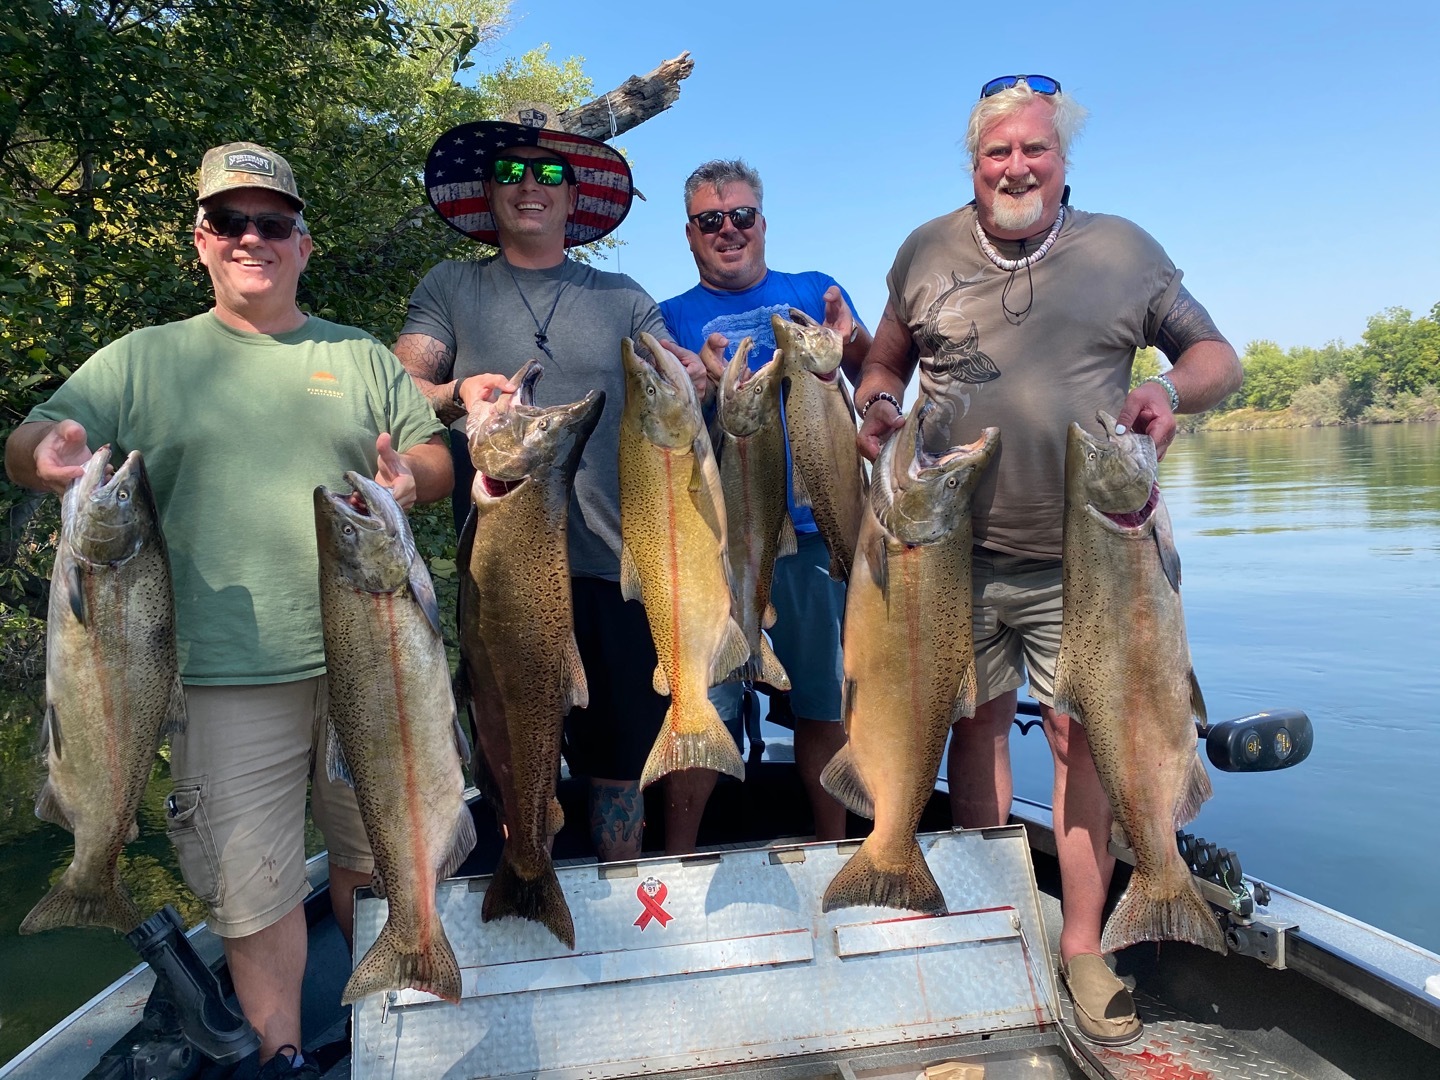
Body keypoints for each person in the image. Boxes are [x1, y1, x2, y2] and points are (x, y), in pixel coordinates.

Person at [4, 143, 451, 1076]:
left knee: (377, 864)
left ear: (303, 242)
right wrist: (45, 451)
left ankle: (393, 1041)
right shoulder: (141, 360)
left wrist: (417, 476)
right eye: (230, 222)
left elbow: (433, 456)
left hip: (370, 663)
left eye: (272, 223)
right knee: (254, 897)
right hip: (213, 676)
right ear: (201, 241)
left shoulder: (358, 355)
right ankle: (284, 1059)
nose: (253, 238)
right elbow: (32, 436)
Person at [853, 76, 1242, 1047]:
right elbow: (887, 359)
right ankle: (991, 931)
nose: (1016, 167)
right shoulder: (925, 248)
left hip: (1092, 558)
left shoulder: (1123, 252)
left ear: (1064, 161)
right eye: (998, 153)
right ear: (973, 163)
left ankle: (1081, 946)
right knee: (973, 730)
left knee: (1081, 741)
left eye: (1036, 150)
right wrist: (873, 402)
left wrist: (1169, 392)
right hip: (949, 552)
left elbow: (1217, 358)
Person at [393, 105, 712, 863]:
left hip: (615, 570)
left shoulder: (626, 298)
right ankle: (524, 877)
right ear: (489, 192)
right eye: (510, 171)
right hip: (497, 572)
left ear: (573, 197)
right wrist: (455, 392)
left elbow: (678, 376)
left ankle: (626, 906)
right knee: (508, 751)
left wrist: (696, 374)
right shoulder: (450, 287)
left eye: (547, 172)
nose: (528, 184)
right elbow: (403, 380)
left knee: (618, 765)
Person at [659, 159, 871, 852]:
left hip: (817, 538)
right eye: (711, 221)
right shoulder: (669, 319)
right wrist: (696, 386)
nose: (729, 231)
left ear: (763, 223)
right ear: (689, 235)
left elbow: (875, 373)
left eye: (742, 216)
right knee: (704, 706)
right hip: (716, 549)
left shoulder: (816, 290)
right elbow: (656, 428)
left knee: (823, 705)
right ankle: (680, 862)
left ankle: (834, 845)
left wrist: (854, 345)